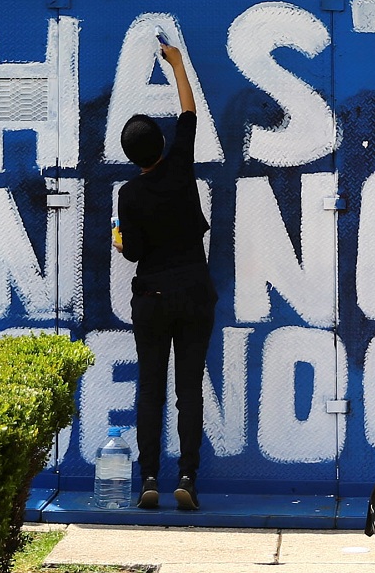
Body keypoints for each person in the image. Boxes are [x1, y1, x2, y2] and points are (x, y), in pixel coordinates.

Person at [115, 39, 215, 512]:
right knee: (188, 390)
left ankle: (149, 478)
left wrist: (120, 242)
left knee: (151, 390)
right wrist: (176, 63)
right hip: (194, 290)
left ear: (131, 156)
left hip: (152, 297)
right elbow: (189, 115)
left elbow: (133, 252)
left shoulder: (129, 196)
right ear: (161, 143)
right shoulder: (179, 166)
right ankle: (188, 478)